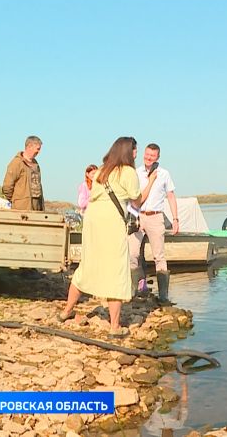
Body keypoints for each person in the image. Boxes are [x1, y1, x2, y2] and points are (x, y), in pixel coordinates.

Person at [60, 137, 157, 338]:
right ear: (127, 152)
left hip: (93, 220)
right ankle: (114, 327)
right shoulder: (128, 172)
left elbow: (94, 196)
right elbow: (137, 202)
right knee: (116, 269)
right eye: (134, 150)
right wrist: (151, 182)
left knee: (88, 264)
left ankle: (66, 311)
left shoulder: (102, 170)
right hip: (111, 222)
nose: (136, 154)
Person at [128, 143, 179, 305]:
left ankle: (163, 295)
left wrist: (176, 219)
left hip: (155, 217)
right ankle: (137, 289)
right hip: (138, 215)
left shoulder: (164, 174)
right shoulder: (136, 173)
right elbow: (131, 197)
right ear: (144, 154)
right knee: (133, 254)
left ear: (158, 157)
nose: (149, 158)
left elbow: (171, 196)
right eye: (147, 154)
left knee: (159, 256)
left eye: (152, 156)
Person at [2, 136, 44, 211]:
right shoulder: (17, 163)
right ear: (29, 146)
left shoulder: (35, 164)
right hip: (21, 209)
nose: (39, 152)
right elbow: (7, 187)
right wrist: (17, 201)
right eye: (38, 149)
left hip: (36, 207)